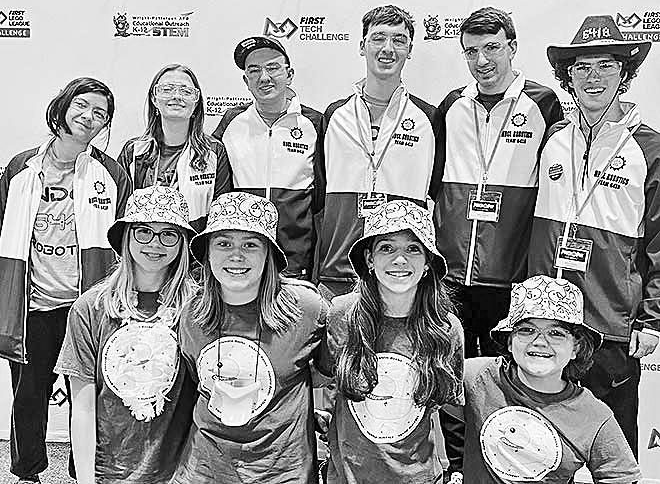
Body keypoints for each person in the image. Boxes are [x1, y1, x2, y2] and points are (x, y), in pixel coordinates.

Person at [528, 14, 660, 456]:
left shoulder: (649, 148)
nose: (593, 76)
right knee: (546, 449)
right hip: (547, 323)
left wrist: (652, 319)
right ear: (568, 77)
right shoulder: (553, 137)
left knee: (613, 452)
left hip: (610, 325)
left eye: (606, 65)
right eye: (582, 67)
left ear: (625, 74)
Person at [0, 77, 131, 483]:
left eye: (100, 113)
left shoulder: (111, 173)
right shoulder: (20, 167)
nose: (89, 117)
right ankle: (27, 472)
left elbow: (124, 241)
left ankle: (83, 472)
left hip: (86, 308)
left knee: (87, 396)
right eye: (82, 106)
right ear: (62, 107)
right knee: (29, 396)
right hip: (33, 304)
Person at [171, 191, 328, 483]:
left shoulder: (306, 309)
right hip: (205, 469)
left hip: (282, 473)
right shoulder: (190, 314)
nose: (236, 255)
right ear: (208, 252)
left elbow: (326, 372)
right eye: (224, 243)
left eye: (250, 244)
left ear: (269, 253)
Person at [434, 6, 564, 359]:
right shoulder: (452, 105)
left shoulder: (542, 103)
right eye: (471, 51)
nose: (481, 60)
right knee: (450, 371)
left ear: (512, 47)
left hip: (511, 275)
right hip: (451, 274)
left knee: (503, 374)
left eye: (491, 47)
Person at [55, 185, 197, 483]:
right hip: (110, 473)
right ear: (126, 236)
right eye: (144, 231)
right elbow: (83, 406)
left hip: (179, 473)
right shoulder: (90, 308)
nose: (155, 243)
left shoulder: (198, 307)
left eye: (169, 234)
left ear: (182, 242)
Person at [318, 200, 464, 483]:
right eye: (387, 248)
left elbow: (453, 409)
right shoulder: (342, 314)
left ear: (427, 263)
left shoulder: (446, 329)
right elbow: (323, 379)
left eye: (413, 249)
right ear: (369, 259)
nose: (400, 260)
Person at [460, 275, 641, 483]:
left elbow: (621, 476)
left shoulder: (593, 415)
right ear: (509, 341)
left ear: (576, 347)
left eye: (556, 333)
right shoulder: (477, 376)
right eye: (527, 330)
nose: (539, 342)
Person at [316, 4, 442, 300]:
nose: (388, 48)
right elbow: (319, 199)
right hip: (338, 271)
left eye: (399, 40)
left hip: (400, 275)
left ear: (410, 50)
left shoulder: (428, 118)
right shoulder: (334, 115)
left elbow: (436, 195)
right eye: (378, 38)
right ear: (362, 46)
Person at [213, 37, 323, 279]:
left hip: (295, 261)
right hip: (242, 259)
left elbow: (322, 198)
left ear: (289, 74)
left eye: (272, 68)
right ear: (246, 81)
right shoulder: (231, 122)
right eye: (254, 71)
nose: (264, 77)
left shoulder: (314, 123)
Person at [118, 63, 232, 232]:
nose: (177, 96)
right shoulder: (133, 151)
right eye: (167, 89)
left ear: (196, 103)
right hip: (145, 243)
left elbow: (220, 216)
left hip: (193, 245)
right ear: (154, 99)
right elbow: (120, 211)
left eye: (186, 91)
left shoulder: (214, 152)